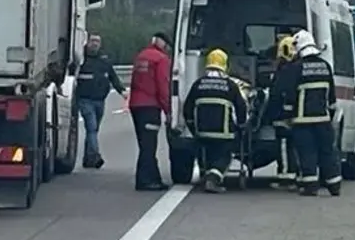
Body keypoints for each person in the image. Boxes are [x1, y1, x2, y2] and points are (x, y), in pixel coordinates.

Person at [279, 30, 342, 196]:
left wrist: (286, 117)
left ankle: (310, 186)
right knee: (327, 152)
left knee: (307, 153)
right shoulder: (325, 66)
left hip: (302, 121)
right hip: (324, 120)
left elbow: (290, 96)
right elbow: (332, 97)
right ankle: (334, 185)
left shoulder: (296, 68)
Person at [182, 49, 247, 193]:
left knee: (206, 150)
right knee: (225, 155)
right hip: (224, 134)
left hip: (202, 133)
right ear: (225, 65)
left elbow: (187, 109)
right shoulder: (230, 85)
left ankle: (206, 171)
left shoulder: (198, 84)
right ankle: (213, 178)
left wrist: (193, 128)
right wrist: (241, 127)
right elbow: (241, 108)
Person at [127, 32, 172, 191]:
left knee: (144, 144)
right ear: (164, 44)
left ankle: (153, 178)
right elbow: (163, 85)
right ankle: (145, 180)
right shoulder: (161, 59)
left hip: (135, 105)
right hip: (150, 106)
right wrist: (168, 109)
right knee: (149, 146)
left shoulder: (142, 56)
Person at [76, 35, 125, 169]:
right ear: (88, 42)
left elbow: (113, 77)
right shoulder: (81, 60)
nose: (95, 44)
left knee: (93, 130)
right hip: (85, 100)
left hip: (100, 101)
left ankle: (88, 159)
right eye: (93, 41)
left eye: (98, 41)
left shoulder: (104, 61)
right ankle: (96, 156)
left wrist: (122, 91)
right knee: (91, 128)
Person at [265, 35, 300, 190]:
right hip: (296, 116)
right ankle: (295, 175)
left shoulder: (285, 71)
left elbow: (277, 94)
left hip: (283, 116)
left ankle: (287, 178)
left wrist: (271, 115)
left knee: (285, 146)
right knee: (294, 147)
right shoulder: (298, 68)